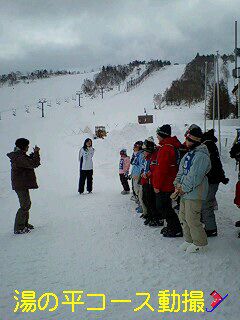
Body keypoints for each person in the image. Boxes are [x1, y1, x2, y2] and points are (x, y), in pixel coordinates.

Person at [174, 125, 211, 253]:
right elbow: (182, 171)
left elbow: (195, 176)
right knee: (183, 217)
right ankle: (189, 240)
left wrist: (183, 188)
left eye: (188, 140)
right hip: (184, 192)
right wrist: (177, 183)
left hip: (195, 193)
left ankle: (200, 243)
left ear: (195, 140)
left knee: (192, 218)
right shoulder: (189, 154)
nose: (186, 142)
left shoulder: (201, 156)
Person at [151, 124, 182, 236]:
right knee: (166, 206)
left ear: (162, 135)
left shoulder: (166, 149)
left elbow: (162, 170)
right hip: (170, 181)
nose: (157, 136)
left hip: (166, 184)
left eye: (158, 134)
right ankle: (172, 226)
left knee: (163, 207)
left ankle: (175, 229)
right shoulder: (172, 146)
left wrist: (157, 186)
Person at [7, 138, 41, 234]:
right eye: (27, 146)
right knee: (24, 205)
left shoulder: (20, 155)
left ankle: (24, 223)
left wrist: (32, 155)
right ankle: (19, 227)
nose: (28, 147)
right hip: (20, 184)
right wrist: (36, 153)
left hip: (22, 183)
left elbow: (29, 162)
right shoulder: (19, 157)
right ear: (23, 147)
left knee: (27, 204)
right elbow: (34, 164)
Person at [201, 129, 229, 237]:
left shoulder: (208, 146)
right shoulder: (211, 145)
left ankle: (211, 228)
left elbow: (213, 165)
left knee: (207, 203)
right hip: (213, 179)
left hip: (211, 180)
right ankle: (208, 225)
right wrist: (222, 177)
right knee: (207, 202)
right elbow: (217, 164)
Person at [141, 139, 160, 226]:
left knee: (151, 201)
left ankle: (155, 218)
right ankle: (150, 216)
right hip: (145, 182)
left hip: (151, 183)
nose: (143, 152)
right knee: (145, 199)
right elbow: (144, 168)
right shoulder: (147, 158)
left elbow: (155, 169)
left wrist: (148, 174)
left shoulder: (154, 156)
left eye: (144, 150)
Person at [131, 141, 145, 213]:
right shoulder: (137, 154)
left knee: (139, 191)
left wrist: (138, 175)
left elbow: (142, 166)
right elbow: (134, 164)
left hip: (138, 176)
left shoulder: (141, 155)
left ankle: (143, 206)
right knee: (136, 190)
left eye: (135, 146)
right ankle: (140, 204)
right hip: (135, 175)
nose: (133, 148)